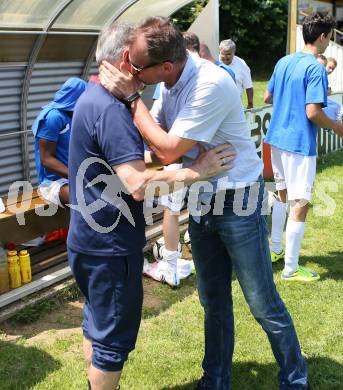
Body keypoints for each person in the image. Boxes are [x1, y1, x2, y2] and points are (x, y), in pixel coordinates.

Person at [100, 16, 309, 390]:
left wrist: (131, 98)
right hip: (203, 201)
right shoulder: (169, 82)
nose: (128, 71)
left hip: (239, 203)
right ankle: (215, 381)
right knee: (212, 301)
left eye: (135, 66)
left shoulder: (210, 83)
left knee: (262, 303)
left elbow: (166, 147)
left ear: (165, 65)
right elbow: (158, 145)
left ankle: (296, 379)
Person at [67, 22, 234, 390]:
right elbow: (135, 184)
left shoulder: (90, 97)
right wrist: (194, 171)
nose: (146, 66)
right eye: (140, 58)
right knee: (111, 342)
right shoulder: (112, 110)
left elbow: (122, 163)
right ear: (125, 59)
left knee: (96, 324)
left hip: (85, 241)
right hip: (110, 248)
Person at [264, 12, 343, 282]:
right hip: (298, 142)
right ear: (322, 37)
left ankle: (275, 250)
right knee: (300, 203)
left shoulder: (284, 61)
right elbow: (313, 112)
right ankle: (290, 268)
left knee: (282, 196)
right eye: (329, 37)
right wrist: (335, 125)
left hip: (276, 139)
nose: (328, 42)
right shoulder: (315, 67)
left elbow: (268, 95)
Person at [149, 31, 201, 287]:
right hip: (180, 158)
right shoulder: (168, 82)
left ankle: (175, 262)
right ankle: (171, 265)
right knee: (176, 210)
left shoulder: (204, 79)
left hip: (188, 159)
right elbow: (157, 117)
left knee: (177, 210)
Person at [32, 77, 86, 206]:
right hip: (53, 183)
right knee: (85, 199)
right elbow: (46, 160)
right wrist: (79, 177)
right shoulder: (53, 117)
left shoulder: (74, 115)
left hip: (76, 177)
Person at [219, 38, 253, 108]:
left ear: (234, 53)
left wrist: (250, 104)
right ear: (219, 52)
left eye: (228, 54)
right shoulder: (213, 62)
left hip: (236, 106)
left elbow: (248, 86)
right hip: (218, 104)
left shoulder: (242, 64)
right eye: (223, 54)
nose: (225, 57)